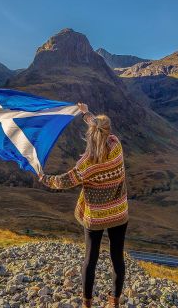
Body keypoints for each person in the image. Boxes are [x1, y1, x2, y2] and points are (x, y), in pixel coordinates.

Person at [38, 102, 129, 308]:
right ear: (108, 132)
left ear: (91, 133)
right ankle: (114, 302)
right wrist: (87, 114)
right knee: (117, 257)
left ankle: (87, 304)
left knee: (90, 259)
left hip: (95, 216)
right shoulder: (116, 147)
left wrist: (44, 178)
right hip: (119, 214)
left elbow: (63, 181)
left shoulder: (86, 164)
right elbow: (100, 127)